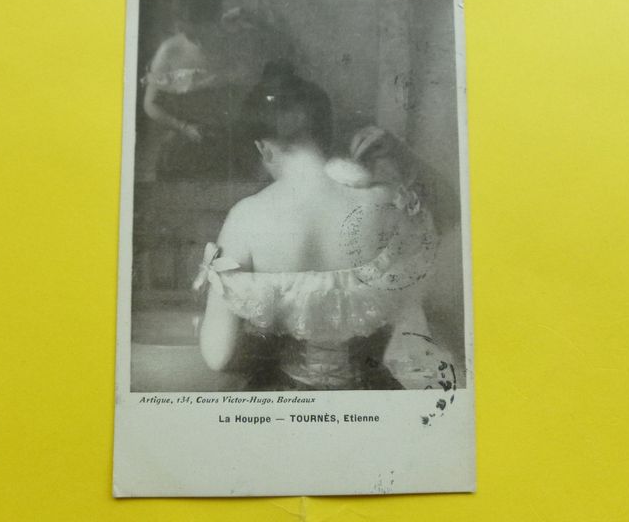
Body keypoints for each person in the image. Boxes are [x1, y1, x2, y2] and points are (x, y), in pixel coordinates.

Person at [192, 61, 452, 390]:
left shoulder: (246, 216)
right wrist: (401, 156)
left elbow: (217, 356)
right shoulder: (383, 200)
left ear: (263, 149)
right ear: (324, 136)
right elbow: (448, 219)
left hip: (284, 401)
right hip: (373, 398)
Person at [139, 0, 282, 182]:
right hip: (189, 139)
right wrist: (184, 127)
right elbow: (150, 104)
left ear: (215, 22)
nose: (198, 41)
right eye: (189, 34)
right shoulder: (169, 51)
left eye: (202, 32)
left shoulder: (237, 42)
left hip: (235, 140)